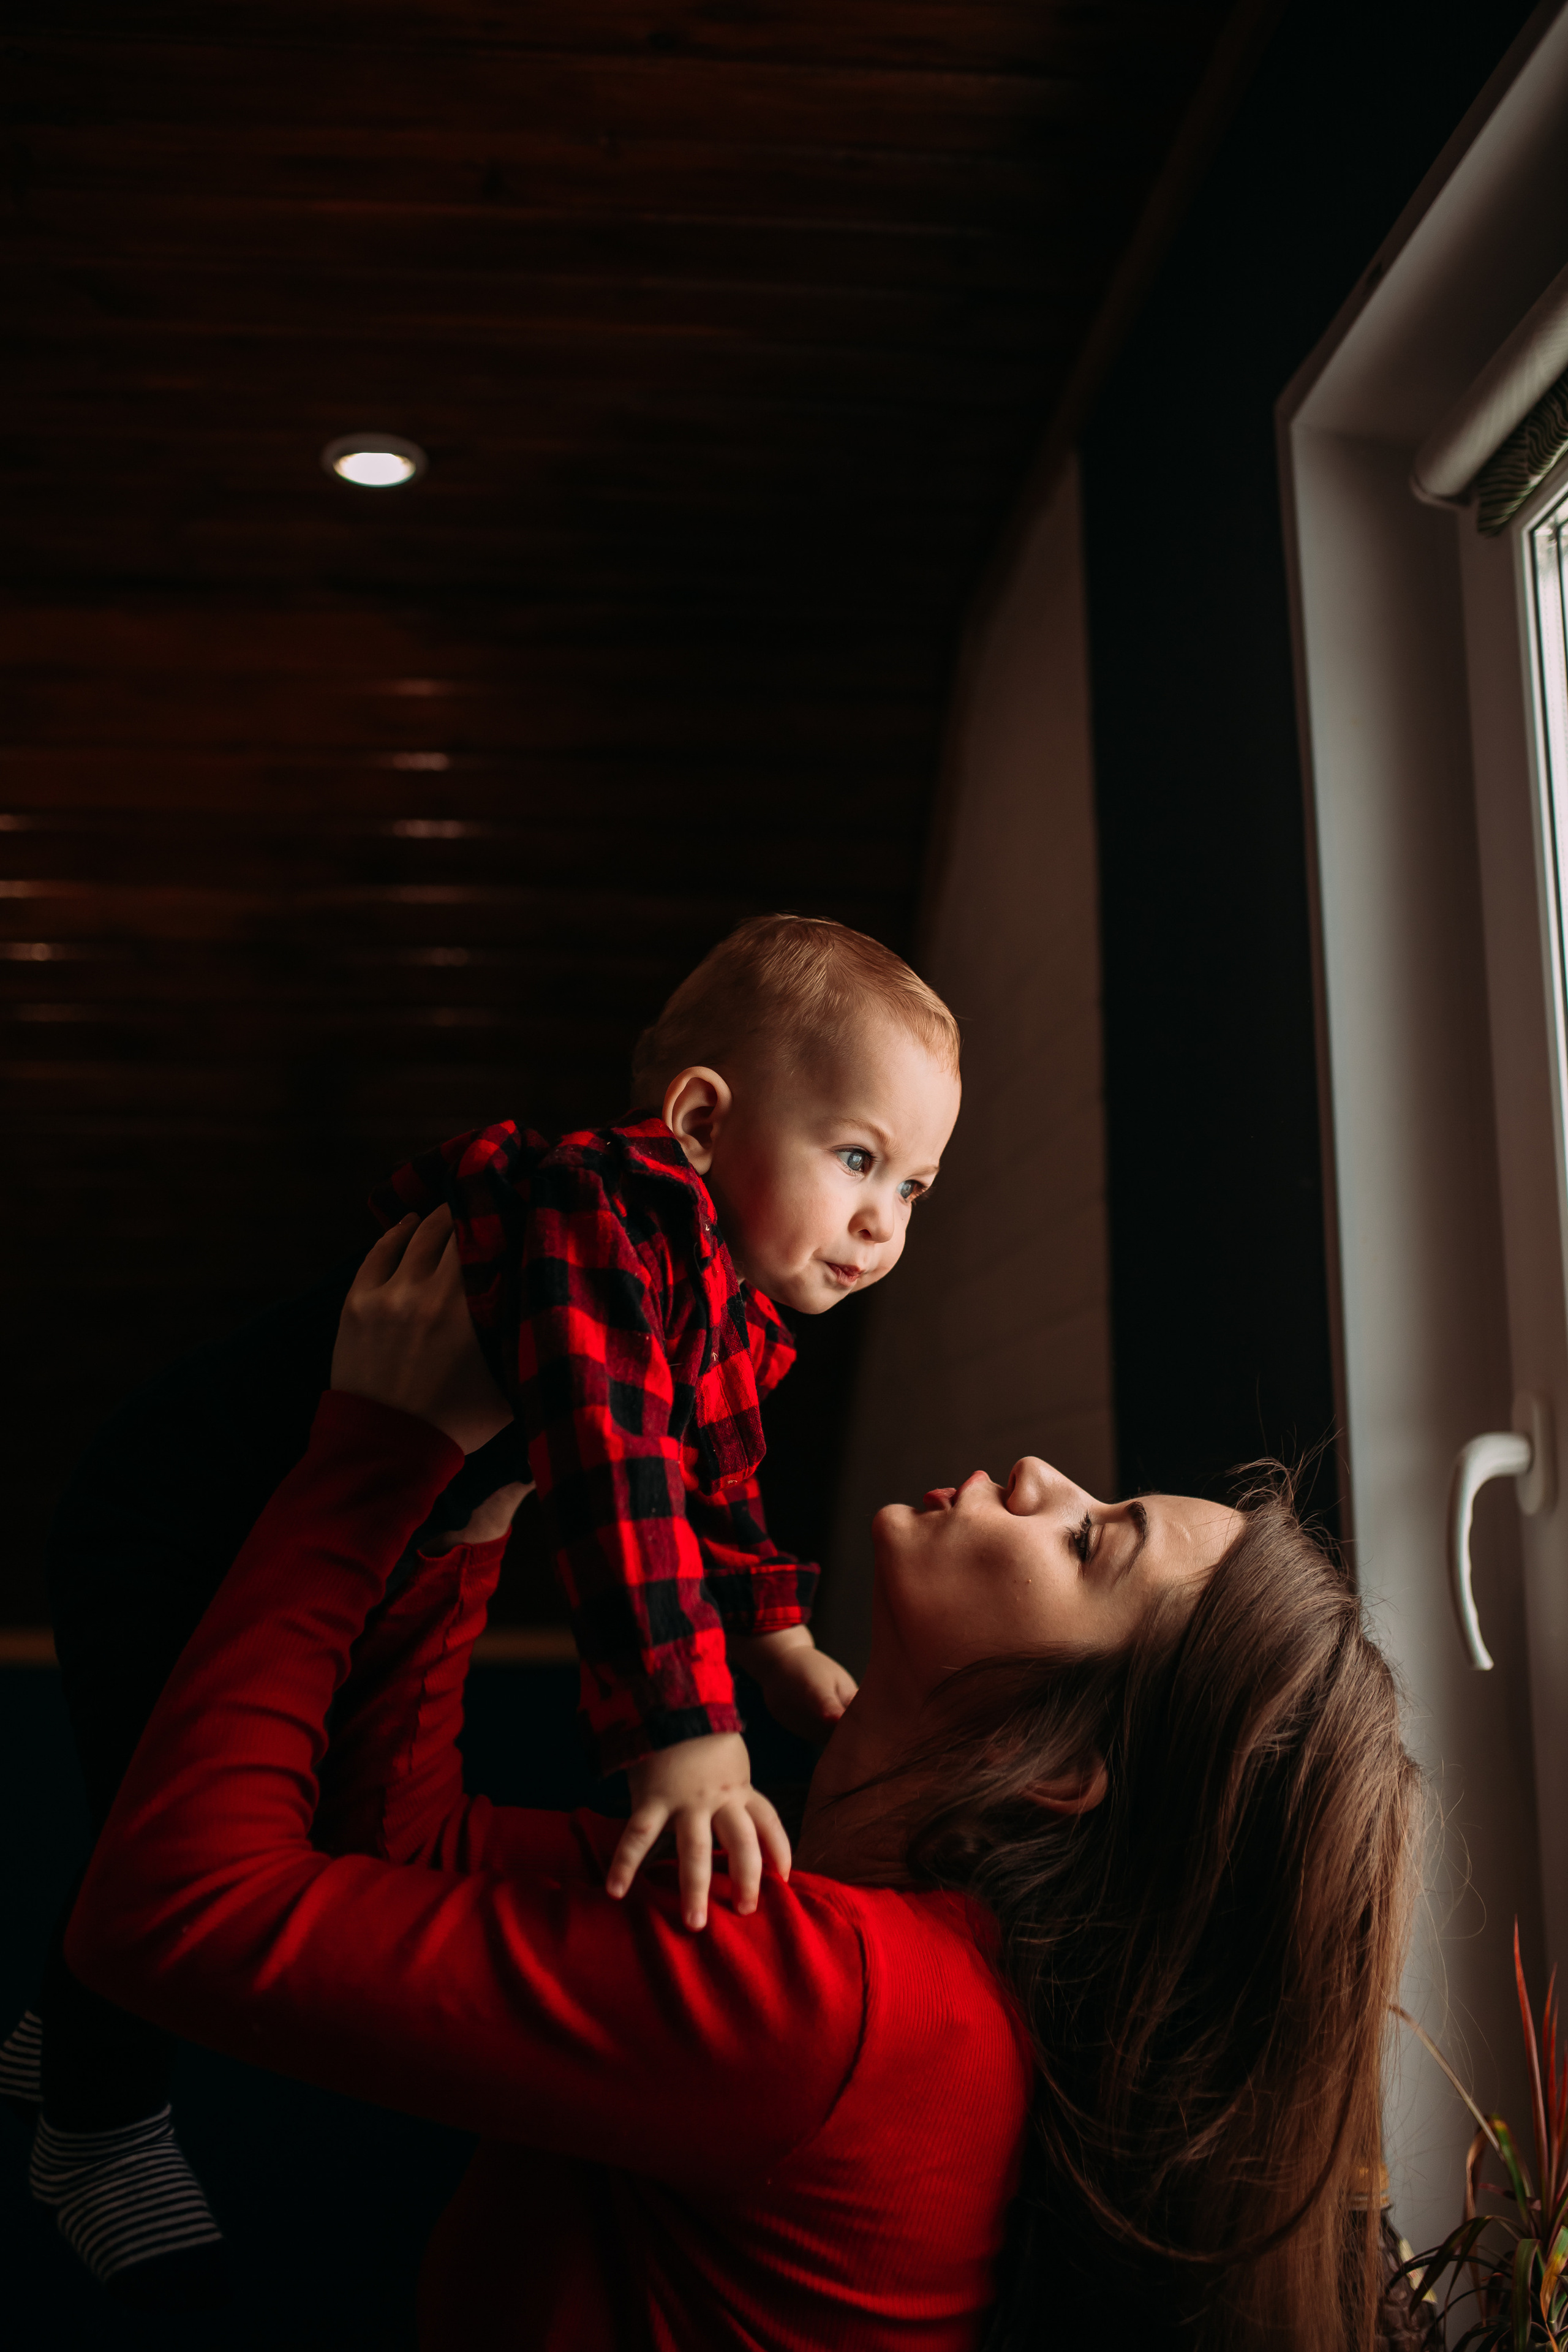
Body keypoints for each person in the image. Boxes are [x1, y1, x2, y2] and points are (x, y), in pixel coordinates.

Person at [63, 1207, 1420, 2352]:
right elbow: (396, 1848)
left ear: (1069, 1768)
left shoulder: (843, 2014)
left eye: (1088, 1542)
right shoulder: (861, 1936)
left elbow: (173, 1911)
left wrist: (377, 1455)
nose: (1037, 1478)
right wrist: (481, 1503)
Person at [1, 908, 960, 2305]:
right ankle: (92, 2114)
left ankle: (61, 2035)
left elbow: (718, 1478)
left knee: (290, 1786)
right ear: (697, 1121)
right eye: (858, 1158)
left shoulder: (726, 1302)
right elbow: (614, 1470)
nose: (882, 1221)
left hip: (356, 1528)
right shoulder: (598, 1215)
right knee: (156, 1794)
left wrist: (775, 1637)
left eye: (917, 1189)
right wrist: (681, 1734)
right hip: (174, 1515)